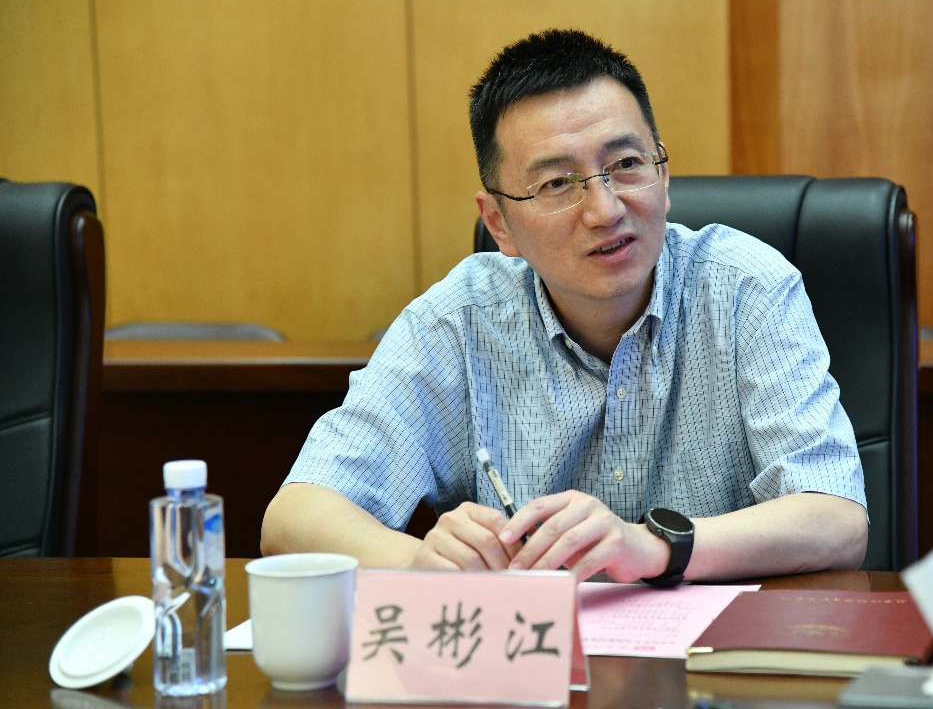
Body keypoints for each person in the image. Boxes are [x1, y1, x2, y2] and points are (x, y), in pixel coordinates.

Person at [261, 29, 868, 584]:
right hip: (531, 658)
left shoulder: (745, 289)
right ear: (499, 223)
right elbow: (294, 516)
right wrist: (417, 563)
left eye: (626, 165)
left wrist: (651, 545)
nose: (605, 210)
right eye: (557, 183)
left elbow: (837, 519)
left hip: (719, 658)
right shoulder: (458, 320)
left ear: (663, 174)